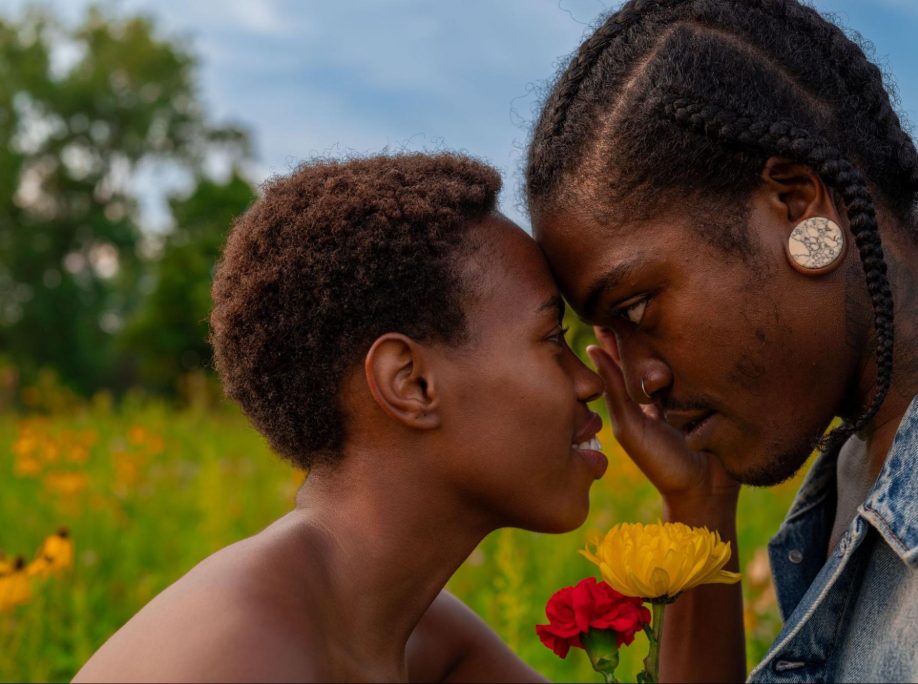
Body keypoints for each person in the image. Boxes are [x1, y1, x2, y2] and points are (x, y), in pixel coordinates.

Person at [525, 0, 918, 681]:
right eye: (608, 336)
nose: (641, 380)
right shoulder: (855, 477)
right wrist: (700, 505)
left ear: (796, 203)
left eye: (638, 308)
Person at [74, 153, 608, 682]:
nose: (592, 381)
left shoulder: (419, 638)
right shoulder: (241, 654)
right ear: (411, 383)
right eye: (553, 339)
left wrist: (691, 500)